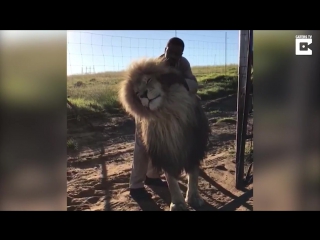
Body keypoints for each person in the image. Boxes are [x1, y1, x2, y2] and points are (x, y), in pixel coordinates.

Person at [129, 37, 199, 200]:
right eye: (171, 51)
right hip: (148, 110)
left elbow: (193, 85)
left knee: (160, 146)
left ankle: (152, 177)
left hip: (167, 112)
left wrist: (181, 80)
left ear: (182, 53)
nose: (174, 56)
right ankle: (136, 185)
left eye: (178, 53)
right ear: (165, 49)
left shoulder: (183, 64)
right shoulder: (155, 66)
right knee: (142, 146)